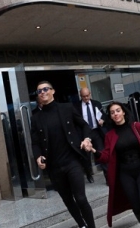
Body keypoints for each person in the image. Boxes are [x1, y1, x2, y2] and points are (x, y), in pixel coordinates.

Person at [31, 81, 96, 228]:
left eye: (45, 89)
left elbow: (84, 125)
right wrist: (38, 157)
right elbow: (35, 142)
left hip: (72, 162)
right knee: (68, 200)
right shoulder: (36, 118)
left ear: (53, 91)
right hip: (54, 167)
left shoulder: (66, 108)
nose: (42, 92)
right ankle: (82, 225)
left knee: (80, 198)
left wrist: (86, 139)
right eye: (39, 91)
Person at [75, 87, 108, 184]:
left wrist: (103, 120)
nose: (86, 98)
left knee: (101, 152)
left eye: (87, 95)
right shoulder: (76, 106)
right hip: (85, 133)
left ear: (90, 94)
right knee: (86, 156)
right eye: (83, 96)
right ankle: (89, 174)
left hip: (96, 131)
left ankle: (107, 177)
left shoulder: (96, 103)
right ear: (80, 96)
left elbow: (104, 115)